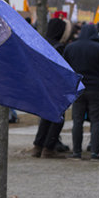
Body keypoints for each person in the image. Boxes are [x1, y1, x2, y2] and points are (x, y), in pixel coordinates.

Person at [62, 23, 99, 160]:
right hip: (96, 88)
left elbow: (64, 67)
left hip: (78, 88)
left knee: (77, 121)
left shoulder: (71, 47)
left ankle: (77, 152)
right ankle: (95, 153)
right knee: (96, 121)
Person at [30, 17, 72, 157]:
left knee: (46, 118)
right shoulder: (59, 48)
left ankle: (38, 145)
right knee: (57, 118)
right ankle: (49, 148)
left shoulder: (41, 44)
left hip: (41, 86)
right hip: (56, 87)